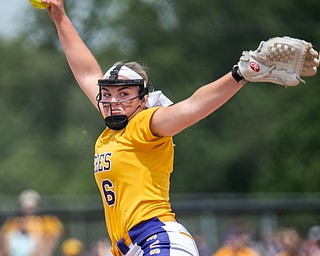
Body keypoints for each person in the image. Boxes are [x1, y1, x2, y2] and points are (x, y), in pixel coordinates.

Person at [41, 0, 319, 255]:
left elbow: (193, 106)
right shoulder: (113, 130)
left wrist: (241, 73)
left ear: (143, 99)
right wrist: (59, 15)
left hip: (159, 239)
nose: (114, 100)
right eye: (109, 93)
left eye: (124, 94)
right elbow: (88, 73)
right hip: (132, 248)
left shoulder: (146, 123)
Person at [1, 189, 64, 256]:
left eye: (31, 208)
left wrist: (44, 249)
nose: (29, 210)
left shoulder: (46, 220)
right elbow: (5, 238)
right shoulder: (14, 221)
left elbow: (54, 237)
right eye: (27, 208)